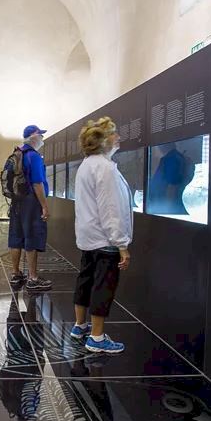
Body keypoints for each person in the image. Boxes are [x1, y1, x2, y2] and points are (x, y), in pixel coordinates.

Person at [70, 117, 132, 354]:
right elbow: (111, 209)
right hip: (104, 239)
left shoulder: (87, 164)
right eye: (114, 133)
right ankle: (96, 337)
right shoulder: (105, 168)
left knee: (85, 279)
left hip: (89, 237)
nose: (118, 137)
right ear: (104, 140)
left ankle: (80, 325)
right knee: (103, 285)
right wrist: (121, 244)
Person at [8, 125, 52, 292]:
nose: (42, 138)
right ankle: (33, 278)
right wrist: (44, 206)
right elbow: (37, 183)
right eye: (40, 135)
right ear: (33, 136)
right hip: (31, 203)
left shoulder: (17, 153)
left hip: (16, 201)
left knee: (16, 236)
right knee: (31, 237)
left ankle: (16, 274)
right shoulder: (34, 156)